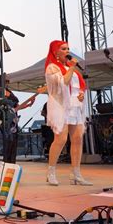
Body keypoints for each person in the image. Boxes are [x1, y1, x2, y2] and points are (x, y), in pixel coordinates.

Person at [44, 40, 91, 186]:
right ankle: (50, 172)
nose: (67, 51)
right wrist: (70, 68)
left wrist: (81, 94)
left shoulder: (73, 70)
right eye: (63, 49)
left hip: (75, 106)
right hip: (61, 106)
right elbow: (63, 83)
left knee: (77, 138)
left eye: (68, 48)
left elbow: (78, 87)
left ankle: (76, 174)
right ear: (55, 52)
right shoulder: (52, 68)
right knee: (61, 139)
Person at [0, 74, 36, 163]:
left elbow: (17, 107)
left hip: (13, 120)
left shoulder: (9, 92)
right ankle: (6, 162)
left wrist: (29, 104)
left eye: (7, 82)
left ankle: (12, 162)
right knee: (7, 141)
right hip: (3, 119)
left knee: (14, 141)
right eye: (5, 82)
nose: (7, 84)